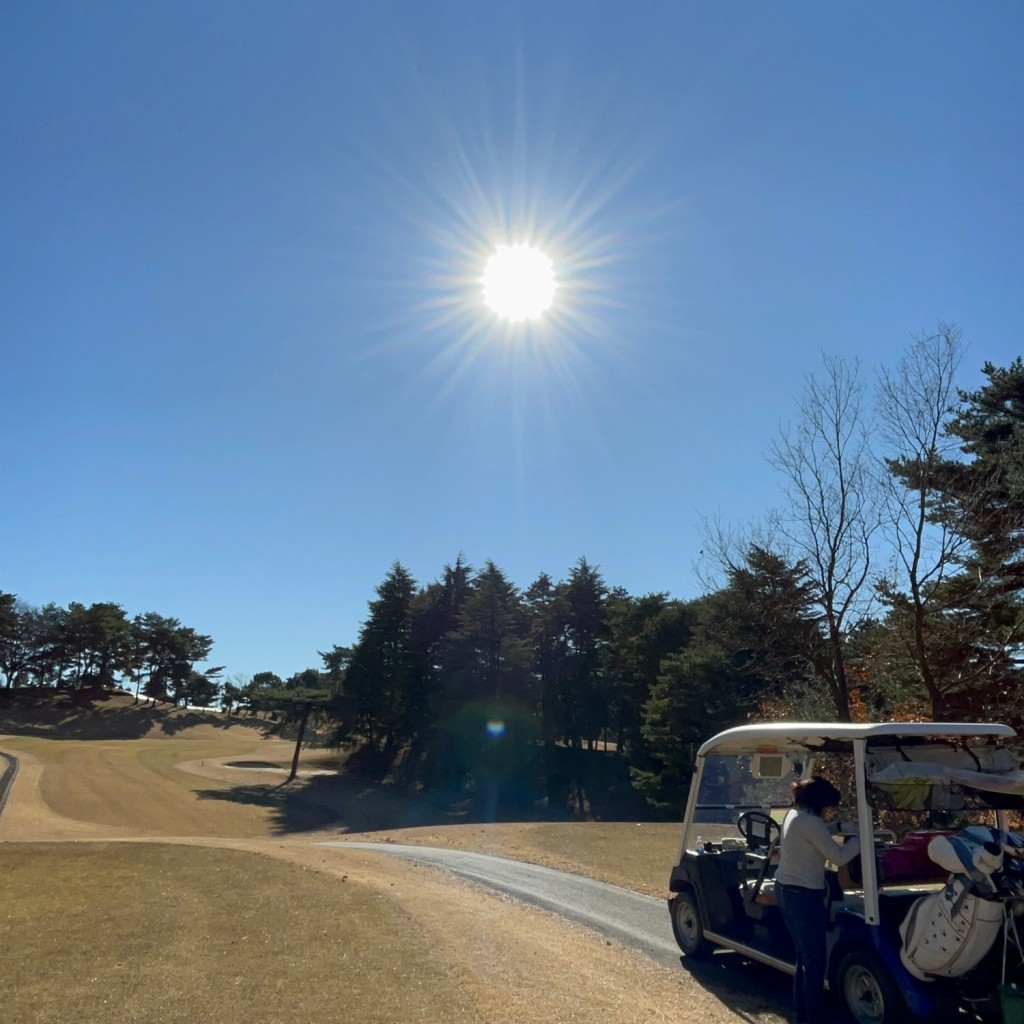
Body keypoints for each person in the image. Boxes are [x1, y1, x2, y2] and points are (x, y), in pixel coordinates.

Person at [774, 776, 861, 1024]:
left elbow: (816, 833)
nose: (829, 811)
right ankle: (813, 1017)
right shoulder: (812, 824)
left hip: (786, 890)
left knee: (804, 957)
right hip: (804, 896)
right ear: (820, 803)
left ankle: (801, 1014)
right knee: (815, 963)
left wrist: (838, 828)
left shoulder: (793, 815)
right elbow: (839, 856)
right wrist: (861, 838)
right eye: (829, 806)